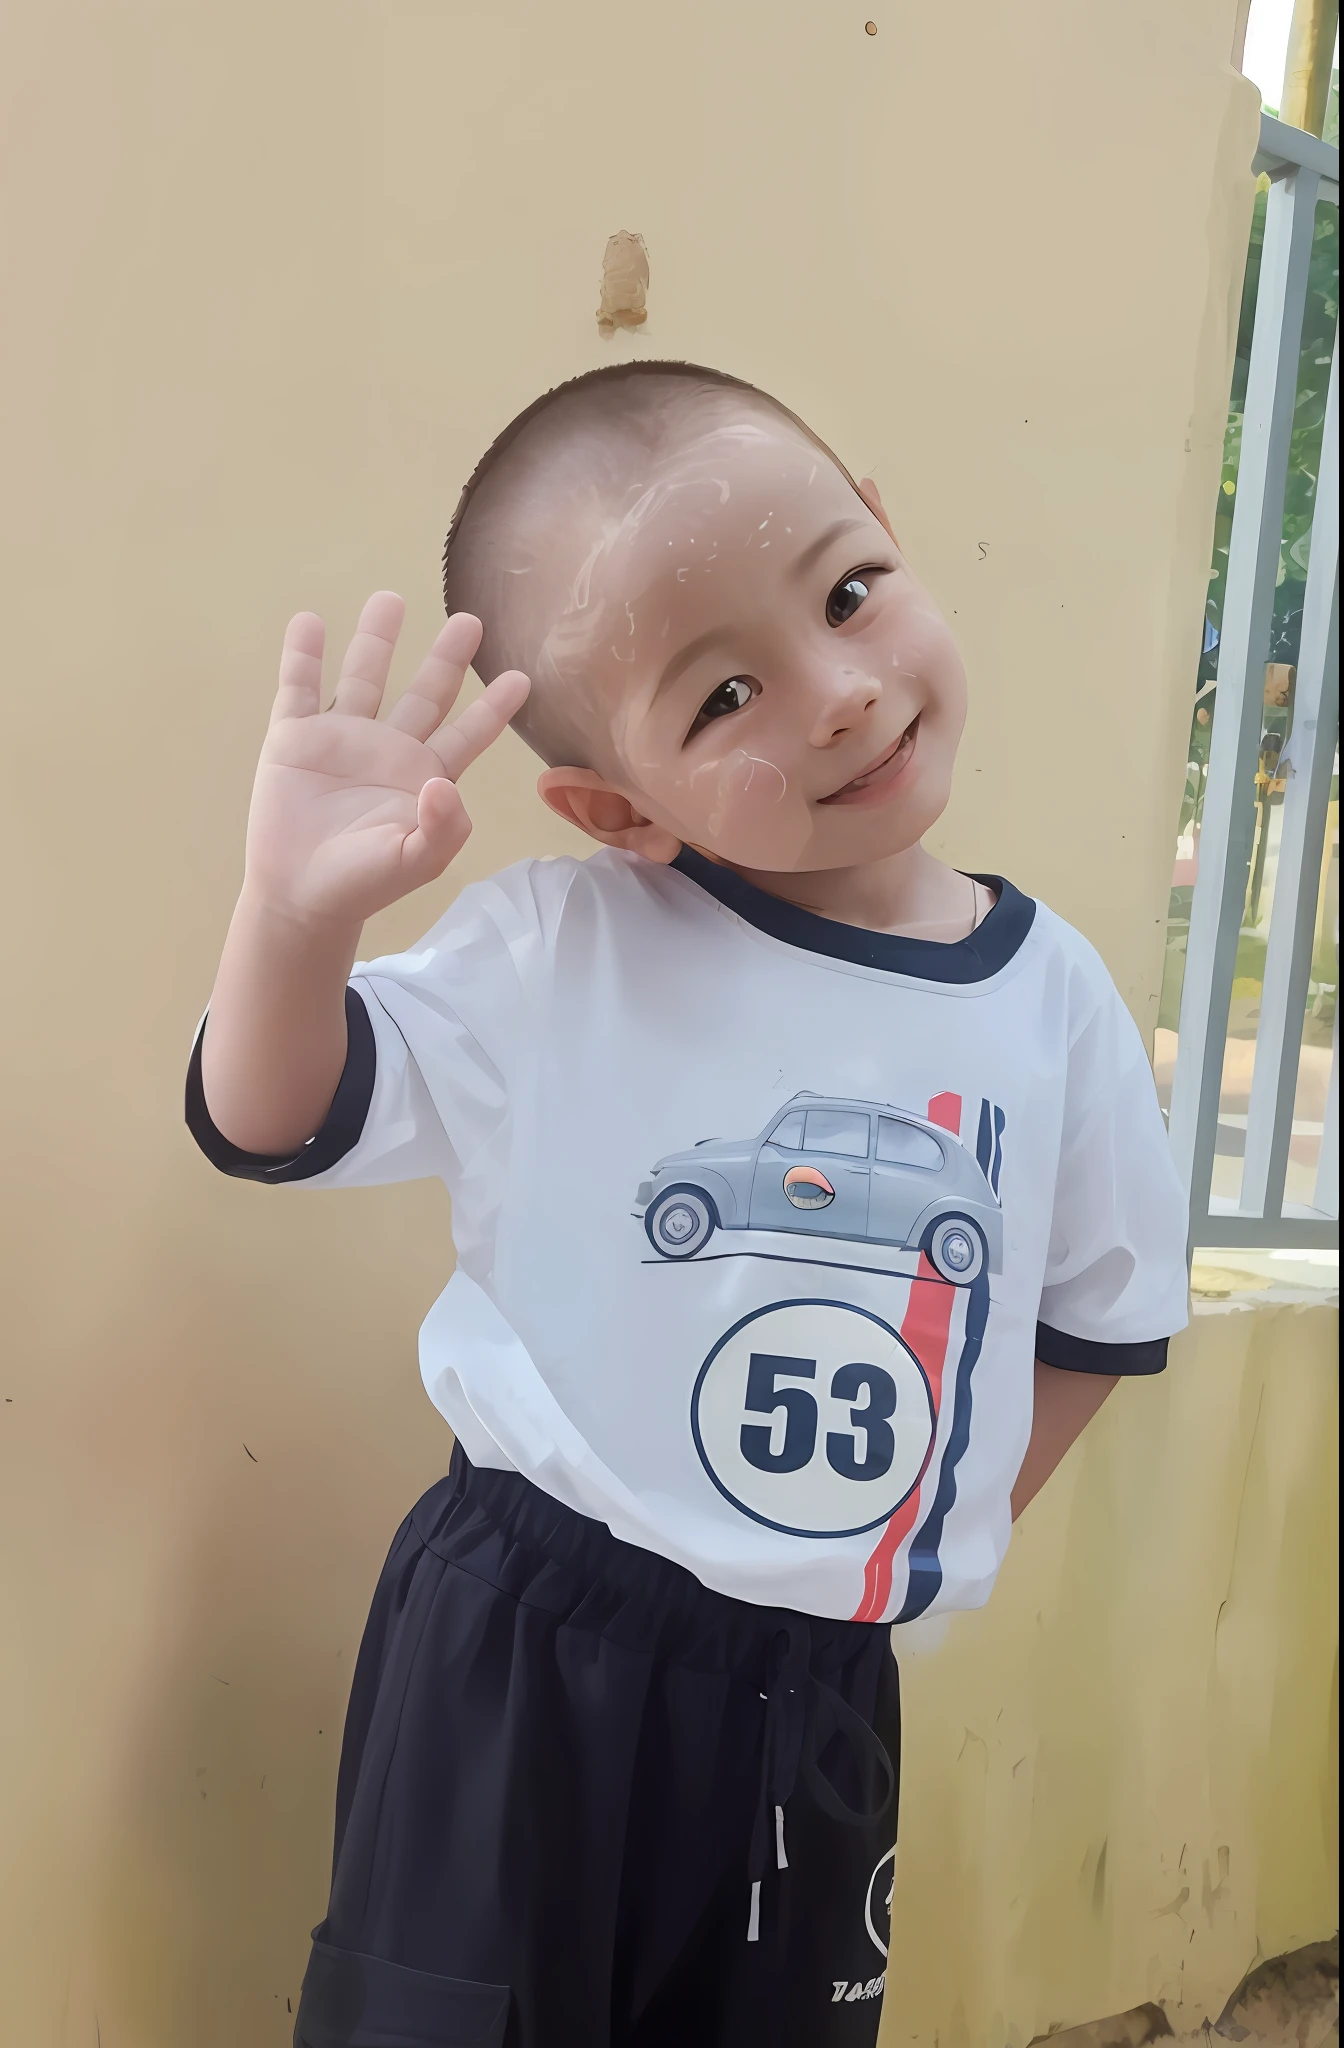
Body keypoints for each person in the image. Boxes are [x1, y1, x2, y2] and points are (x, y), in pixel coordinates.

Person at [188, 361, 1190, 2048]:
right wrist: (290, 918)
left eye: (849, 594)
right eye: (723, 696)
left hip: (811, 1698)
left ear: (886, 520)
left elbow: (1095, 1320)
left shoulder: (1054, 1002)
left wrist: (894, 1541)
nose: (840, 697)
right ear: (616, 810)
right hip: (521, 1646)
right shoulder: (561, 948)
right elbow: (266, 1118)